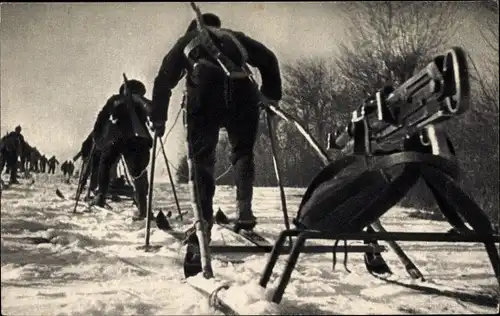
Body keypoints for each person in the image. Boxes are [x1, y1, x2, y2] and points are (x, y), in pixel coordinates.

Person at [150, 12, 282, 245]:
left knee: (202, 157)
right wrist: (271, 96)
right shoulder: (234, 37)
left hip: (205, 90)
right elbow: (268, 58)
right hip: (243, 91)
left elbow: (163, 80)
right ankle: (245, 214)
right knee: (242, 152)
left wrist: (159, 119)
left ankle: (203, 221)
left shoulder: (188, 39)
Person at [88, 78, 153, 221]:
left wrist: (98, 136)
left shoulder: (117, 100)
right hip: (135, 139)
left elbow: (102, 117)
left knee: (106, 164)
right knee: (137, 171)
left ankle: (101, 196)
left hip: (117, 138)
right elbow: (153, 113)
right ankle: (142, 206)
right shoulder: (138, 100)